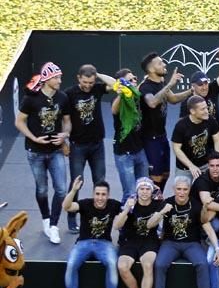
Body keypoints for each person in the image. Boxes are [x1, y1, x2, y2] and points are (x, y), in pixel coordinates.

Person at [150, 176, 219, 288]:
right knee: (159, 264)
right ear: (174, 189)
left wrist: (216, 247)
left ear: (189, 190)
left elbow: (206, 225)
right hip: (170, 242)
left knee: (202, 263)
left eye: (185, 189)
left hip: (191, 243)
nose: (181, 192)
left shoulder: (195, 204)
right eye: (179, 189)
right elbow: (150, 224)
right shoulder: (167, 203)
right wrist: (162, 212)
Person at [16, 61, 70, 244]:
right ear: (47, 79)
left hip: (55, 150)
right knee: (42, 189)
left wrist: (65, 134)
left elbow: (67, 120)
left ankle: (54, 226)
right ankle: (46, 219)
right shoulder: (31, 99)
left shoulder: (62, 98)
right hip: (35, 151)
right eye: (56, 77)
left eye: (60, 77)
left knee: (61, 189)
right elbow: (19, 122)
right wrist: (33, 138)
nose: (59, 80)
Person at [64, 64, 116, 233]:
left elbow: (116, 85)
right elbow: (62, 120)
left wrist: (98, 74)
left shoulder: (97, 88)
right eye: (85, 81)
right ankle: (72, 216)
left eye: (91, 82)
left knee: (99, 180)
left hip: (97, 145)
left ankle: (98, 214)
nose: (88, 85)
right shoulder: (69, 94)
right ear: (78, 78)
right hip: (77, 145)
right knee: (76, 182)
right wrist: (63, 143)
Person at [62, 177, 122, 288]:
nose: (100, 197)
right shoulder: (85, 203)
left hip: (104, 243)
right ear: (93, 194)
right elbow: (66, 206)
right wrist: (74, 190)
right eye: (97, 194)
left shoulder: (114, 205)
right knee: (71, 265)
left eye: (103, 194)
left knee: (113, 264)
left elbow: (126, 217)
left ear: (108, 195)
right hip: (84, 242)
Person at [138, 52, 191, 190]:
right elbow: (152, 102)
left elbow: (172, 99)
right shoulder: (146, 86)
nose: (164, 65)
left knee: (165, 174)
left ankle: (158, 198)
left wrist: (191, 91)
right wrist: (171, 84)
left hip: (162, 136)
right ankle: (153, 203)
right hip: (150, 139)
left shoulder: (161, 83)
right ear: (151, 69)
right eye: (160, 63)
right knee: (155, 177)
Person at [113, 177, 163, 288]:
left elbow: (158, 226)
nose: (145, 192)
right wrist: (127, 209)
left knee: (147, 264)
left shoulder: (157, 204)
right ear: (137, 190)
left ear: (152, 191)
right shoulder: (130, 204)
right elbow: (117, 226)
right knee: (122, 267)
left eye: (147, 189)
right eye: (142, 189)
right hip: (130, 240)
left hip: (149, 240)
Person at [111, 68, 149, 201]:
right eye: (130, 80)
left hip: (140, 150)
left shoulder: (137, 95)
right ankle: (125, 219)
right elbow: (114, 110)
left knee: (144, 189)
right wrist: (120, 94)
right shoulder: (120, 100)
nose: (134, 81)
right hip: (124, 154)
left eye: (134, 79)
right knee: (130, 193)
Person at [171, 94, 219, 180]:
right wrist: (191, 166)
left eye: (206, 107)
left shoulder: (210, 120)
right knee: (182, 189)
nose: (207, 111)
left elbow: (217, 140)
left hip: (206, 164)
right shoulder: (181, 126)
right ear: (192, 111)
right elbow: (176, 148)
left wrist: (218, 161)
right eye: (203, 109)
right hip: (185, 168)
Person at [178, 46, 219, 122]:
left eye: (206, 83)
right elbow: (182, 125)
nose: (204, 87)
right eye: (200, 84)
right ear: (193, 86)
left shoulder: (212, 88)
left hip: (217, 132)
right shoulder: (187, 102)